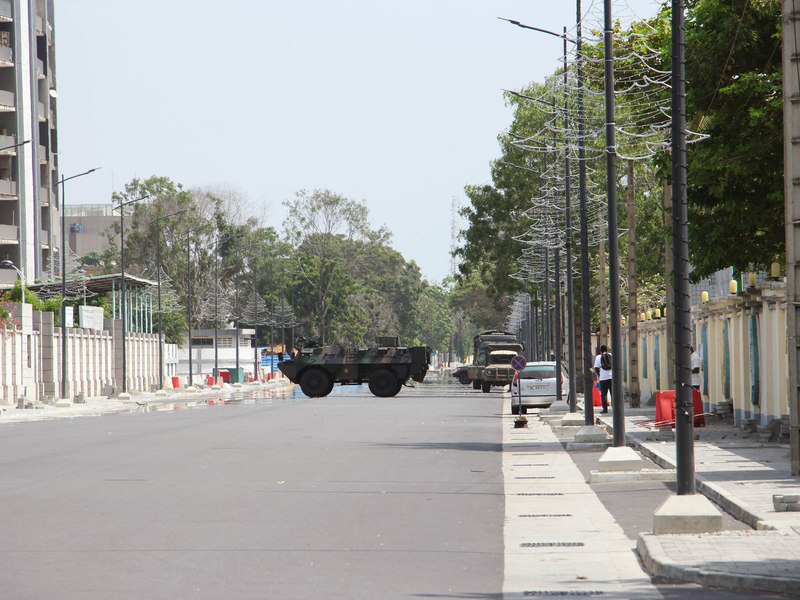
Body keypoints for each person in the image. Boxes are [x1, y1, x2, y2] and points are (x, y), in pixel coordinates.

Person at [593, 344, 612, 413]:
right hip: (611, 377)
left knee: (604, 394)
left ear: (600, 351)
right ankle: (615, 408)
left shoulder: (598, 357)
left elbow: (596, 368)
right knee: (613, 393)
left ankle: (605, 409)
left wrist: (599, 375)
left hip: (603, 378)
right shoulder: (611, 355)